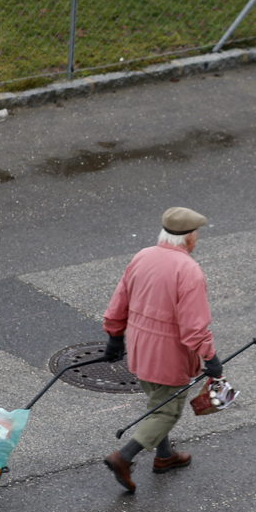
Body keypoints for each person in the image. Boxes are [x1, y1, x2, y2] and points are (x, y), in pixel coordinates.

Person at [101, 207, 222, 492]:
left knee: (159, 402)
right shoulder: (188, 270)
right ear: (190, 238)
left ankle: (165, 457)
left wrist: (115, 336)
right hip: (169, 357)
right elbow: (194, 327)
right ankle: (124, 457)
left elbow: (120, 298)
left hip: (140, 349)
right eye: (197, 235)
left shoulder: (143, 256)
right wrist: (210, 357)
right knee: (166, 412)